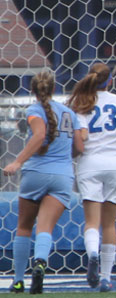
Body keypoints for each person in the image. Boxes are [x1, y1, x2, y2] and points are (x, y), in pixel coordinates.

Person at [3, 70, 84, 294]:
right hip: (62, 176)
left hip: (35, 173)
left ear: (32, 89)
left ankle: (18, 280)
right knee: (45, 227)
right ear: (54, 87)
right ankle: (40, 262)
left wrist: (17, 162)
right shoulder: (69, 113)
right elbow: (79, 148)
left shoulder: (34, 110)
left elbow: (39, 135)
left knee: (23, 227)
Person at [67, 62, 116, 292]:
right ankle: (106, 278)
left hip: (90, 164)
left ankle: (92, 255)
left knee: (91, 221)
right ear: (109, 80)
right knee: (110, 223)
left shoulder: (81, 103)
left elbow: (84, 136)